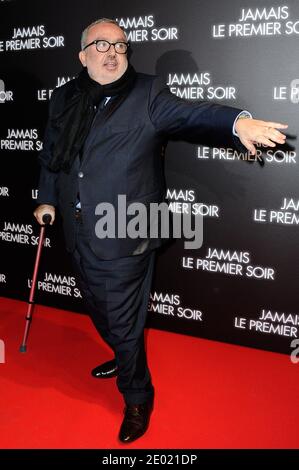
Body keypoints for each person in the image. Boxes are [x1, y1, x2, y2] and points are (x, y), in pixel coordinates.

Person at [34, 18, 287, 443]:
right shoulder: (64, 98)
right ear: (82, 55)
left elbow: (194, 113)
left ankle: (137, 396)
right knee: (97, 304)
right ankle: (121, 352)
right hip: (77, 229)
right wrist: (46, 198)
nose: (113, 52)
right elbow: (50, 152)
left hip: (127, 230)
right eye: (101, 44)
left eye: (120, 45)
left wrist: (237, 122)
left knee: (122, 317)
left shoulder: (147, 94)